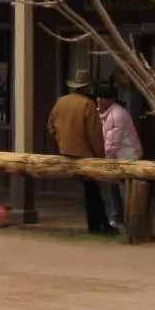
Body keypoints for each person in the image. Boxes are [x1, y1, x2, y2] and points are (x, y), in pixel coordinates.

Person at [47, 69, 117, 235]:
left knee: (91, 190)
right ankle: (98, 226)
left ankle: (100, 225)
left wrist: (61, 140)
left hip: (65, 150)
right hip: (84, 154)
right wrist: (100, 156)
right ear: (87, 87)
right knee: (93, 191)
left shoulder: (61, 101)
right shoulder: (88, 104)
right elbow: (94, 134)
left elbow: (51, 126)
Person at [96, 83, 143, 228]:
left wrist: (108, 160)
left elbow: (112, 141)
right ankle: (119, 217)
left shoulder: (117, 115)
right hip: (118, 155)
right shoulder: (105, 113)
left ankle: (128, 219)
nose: (99, 101)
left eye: (103, 98)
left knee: (125, 189)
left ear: (111, 100)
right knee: (114, 187)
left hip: (127, 155)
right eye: (98, 98)